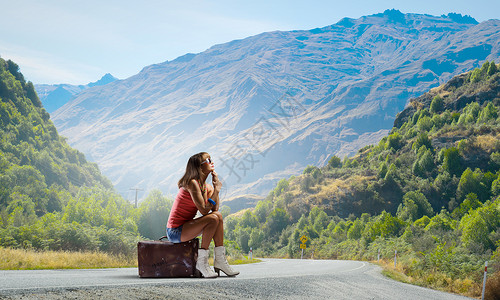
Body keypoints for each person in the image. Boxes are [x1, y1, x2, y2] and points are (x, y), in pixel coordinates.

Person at [166, 152, 239, 278]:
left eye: (211, 159)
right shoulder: (192, 183)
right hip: (175, 231)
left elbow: (215, 208)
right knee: (213, 219)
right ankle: (202, 262)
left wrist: (215, 188)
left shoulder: (206, 187)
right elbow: (205, 211)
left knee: (218, 216)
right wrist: (216, 190)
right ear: (199, 167)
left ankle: (220, 260)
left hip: (187, 227)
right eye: (208, 160)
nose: (211, 162)